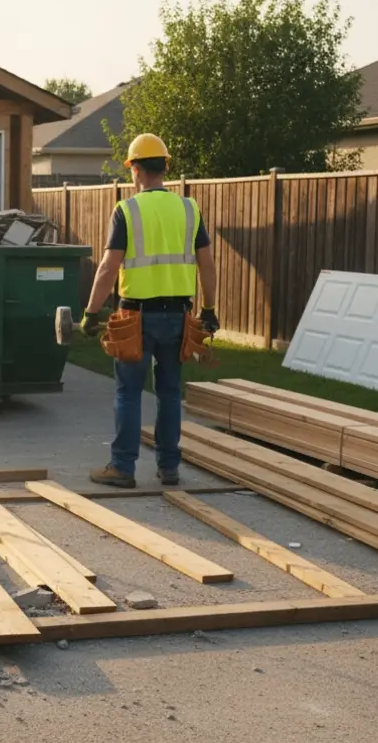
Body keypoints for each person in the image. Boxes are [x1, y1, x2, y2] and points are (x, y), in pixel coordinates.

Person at [80, 133, 219, 488]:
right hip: (178, 316)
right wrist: (210, 308)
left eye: (131, 169)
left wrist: (91, 312)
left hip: (136, 317)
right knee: (170, 392)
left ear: (137, 170)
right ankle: (169, 467)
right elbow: (207, 263)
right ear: (165, 167)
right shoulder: (189, 209)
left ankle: (123, 468)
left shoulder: (127, 210)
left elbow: (109, 267)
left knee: (128, 392)